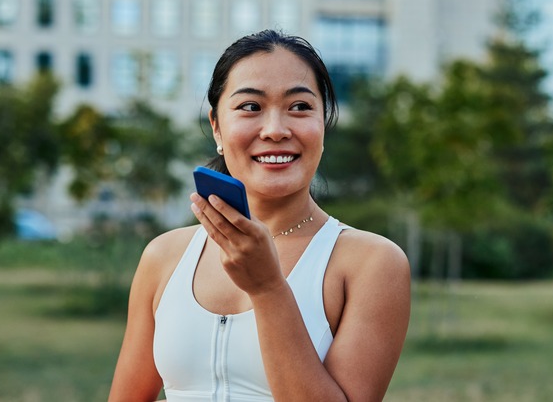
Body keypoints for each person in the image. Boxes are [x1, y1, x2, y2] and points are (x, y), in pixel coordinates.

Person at [108, 29, 411, 402]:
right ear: (216, 126)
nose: (275, 130)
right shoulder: (164, 256)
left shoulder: (373, 264)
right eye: (250, 107)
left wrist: (268, 289)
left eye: (299, 107)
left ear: (323, 124)